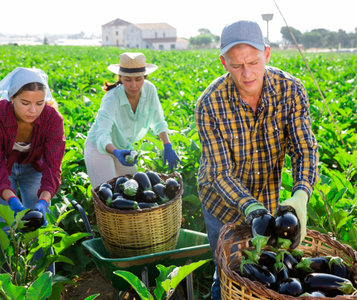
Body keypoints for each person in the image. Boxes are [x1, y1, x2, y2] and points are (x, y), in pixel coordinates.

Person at [195, 20, 319, 299]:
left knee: (266, 275)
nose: (247, 73)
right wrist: (250, 208)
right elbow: (219, 173)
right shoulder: (210, 104)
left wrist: (300, 195)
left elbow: (304, 148)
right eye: (237, 65)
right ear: (223, 62)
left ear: (267, 54)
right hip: (222, 204)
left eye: (253, 62)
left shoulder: (290, 90)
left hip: (269, 195)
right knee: (229, 273)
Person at [0, 67, 66, 228]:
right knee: (4, 228)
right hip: (1, 167)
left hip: (34, 167)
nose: (33, 110)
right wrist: (12, 200)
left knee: (39, 228)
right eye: (25, 103)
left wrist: (43, 201)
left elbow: (53, 167)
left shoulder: (53, 119)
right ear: (12, 97)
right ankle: (8, 253)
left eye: (39, 103)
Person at [84, 52, 180, 188]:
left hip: (124, 147)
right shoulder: (112, 98)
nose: (133, 85)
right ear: (120, 78)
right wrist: (116, 152)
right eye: (128, 80)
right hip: (99, 149)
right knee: (107, 193)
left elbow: (158, 121)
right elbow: (102, 135)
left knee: (133, 189)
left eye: (138, 79)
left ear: (145, 77)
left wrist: (167, 144)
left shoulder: (150, 90)